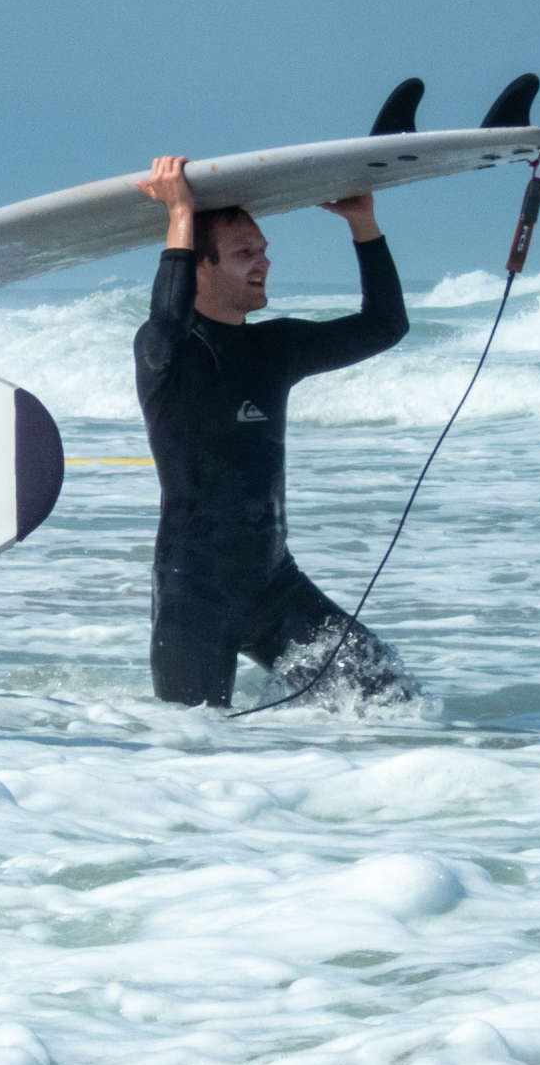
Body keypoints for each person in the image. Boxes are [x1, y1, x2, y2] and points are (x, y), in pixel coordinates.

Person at [131, 155, 414, 708]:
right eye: (243, 254)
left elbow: (386, 325)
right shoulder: (167, 352)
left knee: (390, 694)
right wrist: (180, 212)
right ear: (201, 269)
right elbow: (166, 315)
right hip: (193, 595)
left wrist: (363, 224)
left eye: (263, 250)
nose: (263, 263)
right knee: (194, 750)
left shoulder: (275, 348)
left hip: (274, 586)